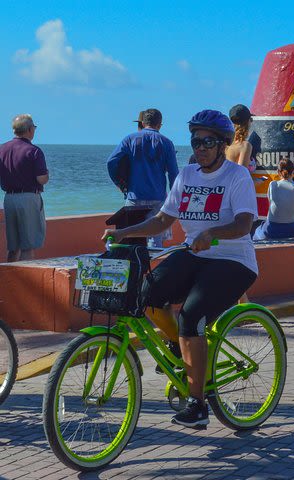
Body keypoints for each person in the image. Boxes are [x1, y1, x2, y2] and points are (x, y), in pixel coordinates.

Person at [102, 110, 258, 428]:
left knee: (191, 316)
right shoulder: (187, 176)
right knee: (147, 294)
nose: (199, 147)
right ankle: (179, 346)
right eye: (195, 140)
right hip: (193, 254)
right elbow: (162, 220)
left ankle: (197, 403)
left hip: (233, 260)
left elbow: (245, 222)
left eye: (207, 141)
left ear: (222, 143)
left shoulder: (236, 177)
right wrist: (122, 233)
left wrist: (213, 233)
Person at [107, 108, 179, 248]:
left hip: (134, 197)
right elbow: (173, 173)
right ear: (160, 124)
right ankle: (152, 268)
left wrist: (120, 183)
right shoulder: (167, 143)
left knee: (130, 238)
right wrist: (174, 197)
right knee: (155, 240)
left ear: (143, 122)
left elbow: (111, 162)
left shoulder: (130, 139)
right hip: (157, 197)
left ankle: (133, 267)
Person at [0, 114, 49, 262]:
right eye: (33, 127)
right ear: (29, 129)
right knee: (28, 246)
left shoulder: (2, 149)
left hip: (9, 199)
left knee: (13, 247)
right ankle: (27, 281)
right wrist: (47, 175)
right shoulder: (33, 151)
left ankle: (8, 282)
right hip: (28, 199)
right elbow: (41, 179)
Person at [253, 158, 294, 240]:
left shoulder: (272, 185)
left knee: (256, 232)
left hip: (272, 230)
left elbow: (271, 202)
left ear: (278, 172)